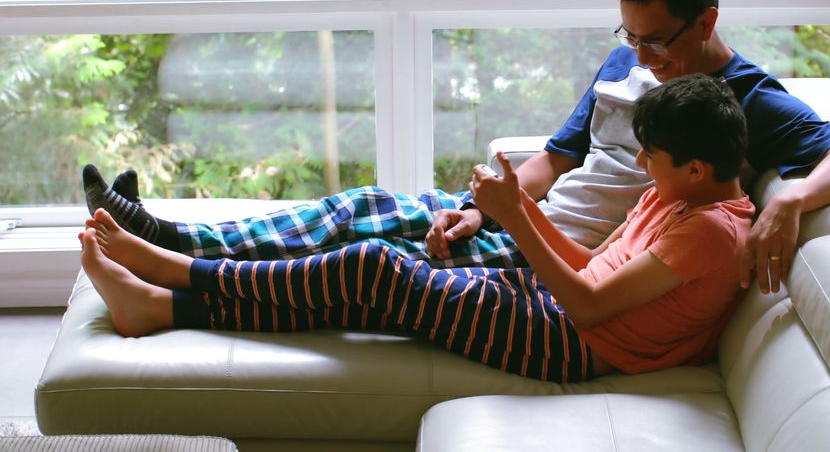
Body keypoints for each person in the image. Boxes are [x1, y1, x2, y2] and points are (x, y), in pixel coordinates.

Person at [82, 0, 830, 295]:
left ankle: (179, 268)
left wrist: (791, 201)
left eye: (658, 39)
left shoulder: (746, 95)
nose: (642, 54)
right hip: (520, 224)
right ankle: (172, 235)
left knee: (373, 242)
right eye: (628, 35)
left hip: (561, 260)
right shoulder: (626, 63)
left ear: (706, 21)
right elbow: (556, 160)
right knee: (367, 204)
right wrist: (479, 208)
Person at [79, 74, 755, 383]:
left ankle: (177, 270)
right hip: (557, 308)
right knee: (371, 285)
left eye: (653, 157)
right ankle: (163, 307)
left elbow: (586, 302)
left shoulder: (710, 232)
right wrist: (517, 204)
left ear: (696, 168)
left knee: (374, 269)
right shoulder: (678, 199)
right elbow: (589, 261)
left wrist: (517, 217)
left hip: (573, 345)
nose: (641, 164)